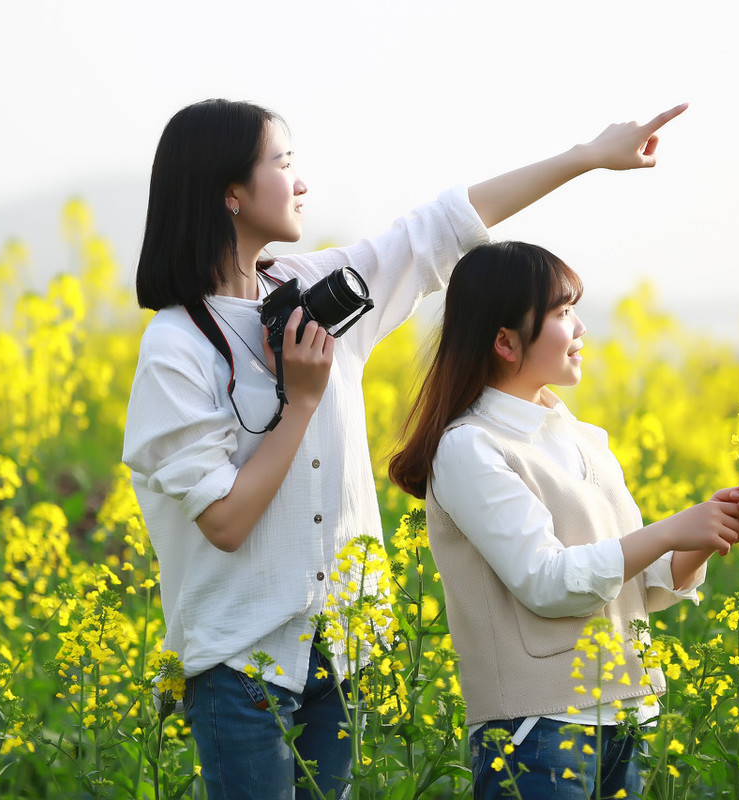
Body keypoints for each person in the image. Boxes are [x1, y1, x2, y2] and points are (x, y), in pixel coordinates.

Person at [122, 98, 689, 800]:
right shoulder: (176, 348)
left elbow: (439, 229)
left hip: (340, 653)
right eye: (284, 164)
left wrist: (585, 157)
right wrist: (301, 401)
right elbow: (226, 523)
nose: (300, 184)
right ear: (230, 193)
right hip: (242, 667)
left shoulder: (316, 294)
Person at [388, 241, 739, 800]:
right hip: (537, 731)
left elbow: (639, 586)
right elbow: (547, 583)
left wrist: (705, 537)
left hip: (626, 721)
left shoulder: (585, 440)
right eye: (563, 314)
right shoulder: (471, 448)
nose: (581, 327)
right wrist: (670, 529)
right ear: (505, 342)